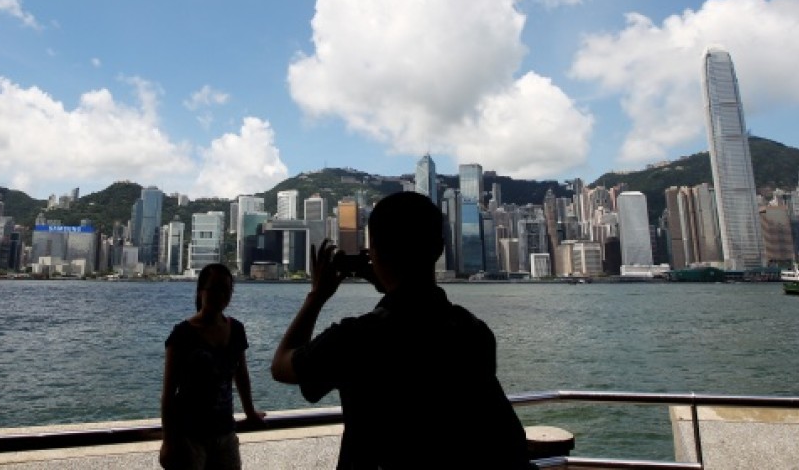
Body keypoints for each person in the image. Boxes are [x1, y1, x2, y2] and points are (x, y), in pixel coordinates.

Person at [271, 191, 529, 469]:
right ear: (440, 249)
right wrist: (389, 283)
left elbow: (282, 365)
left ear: (374, 254)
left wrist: (316, 297)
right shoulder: (474, 333)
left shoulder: (355, 339)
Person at [160, 263, 266, 470]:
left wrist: (250, 413)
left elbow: (241, 375)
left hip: (225, 432)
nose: (221, 295)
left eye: (226, 290)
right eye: (215, 289)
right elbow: (168, 394)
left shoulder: (236, 329)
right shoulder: (182, 334)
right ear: (201, 292)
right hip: (189, 436)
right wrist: (168, 440)